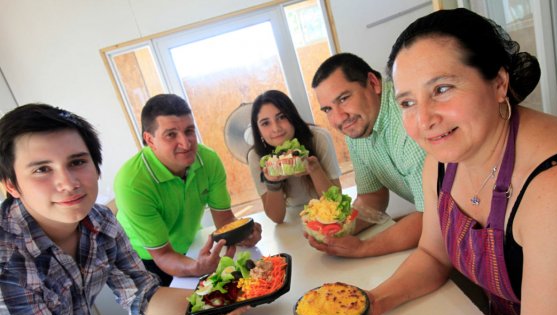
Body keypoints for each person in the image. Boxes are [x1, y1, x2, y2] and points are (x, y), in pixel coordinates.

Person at [313, 8, 557, 315]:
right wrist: (371, 303)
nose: (424, 119)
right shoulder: (442, 163)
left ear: (499, 82)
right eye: (408, 102)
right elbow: (433, 256)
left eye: (442, 89)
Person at [0, 103, 248, 315]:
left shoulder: (99, 222)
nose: (68, 183)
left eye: (77, 162)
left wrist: (234, 296)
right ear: (11, 185)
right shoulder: (8, 265)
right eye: (42, 169)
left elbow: (144, 295)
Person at [114, 94, 262, 286]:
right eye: (171, 134)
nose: (186, 143)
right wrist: (196, 268)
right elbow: (163, 254)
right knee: (179, 313)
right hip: (143, 257)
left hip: (190, 243)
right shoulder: (131, 183)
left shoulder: (208, 160)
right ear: (150, 140)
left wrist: (244, 234)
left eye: (189, 130)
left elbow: (225, 221)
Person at [309, 53, 426, 258]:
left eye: (344, 99)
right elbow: (373, 197)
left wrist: (363, 248)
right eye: (328, 109)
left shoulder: (408, 121)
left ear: (373, 83)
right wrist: (337, 231)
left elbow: (435, 216)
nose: (338, 118)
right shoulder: (356, 125)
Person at [247, 90, 342, 223]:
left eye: (281, 117)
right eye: (265, 123)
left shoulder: (318, 138)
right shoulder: (256, 157)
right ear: (258, 131)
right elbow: (277, 218)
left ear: (292, 117)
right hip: (293, 220)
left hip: (326, 217)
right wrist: (273, 182)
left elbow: (336, 203)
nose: (276, 128)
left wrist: (314, 169)